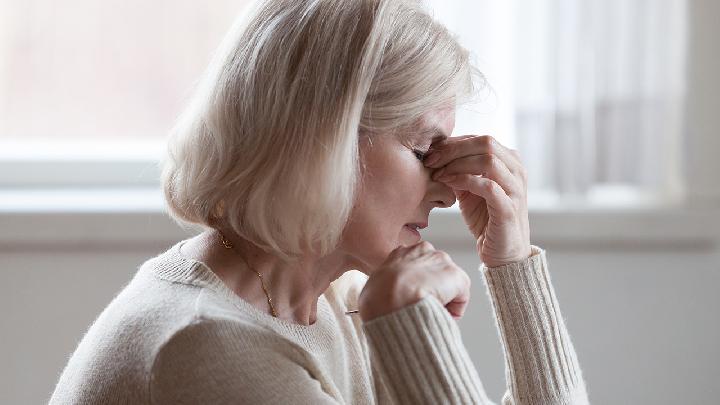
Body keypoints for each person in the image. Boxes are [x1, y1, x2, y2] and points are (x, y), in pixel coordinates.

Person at [50, 0, 590, 403]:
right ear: (323, 143)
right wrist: (411, 331)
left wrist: (513, 262)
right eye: (425, 148)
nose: (448, 191)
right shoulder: (210, 348)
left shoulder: (337, 297)